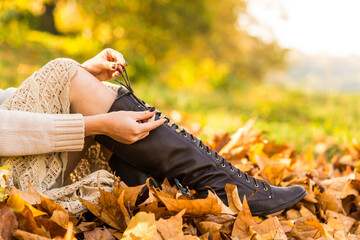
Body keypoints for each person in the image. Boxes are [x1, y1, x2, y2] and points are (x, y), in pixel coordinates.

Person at [0, 48, 306, 216]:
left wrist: (79, 75)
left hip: (22, 155)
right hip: (17, 181)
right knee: (61, 70)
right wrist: (95, 124)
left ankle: (209, 191)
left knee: (72, 76)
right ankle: (226, 187)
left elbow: (8, 102)